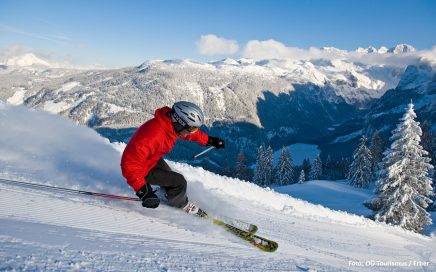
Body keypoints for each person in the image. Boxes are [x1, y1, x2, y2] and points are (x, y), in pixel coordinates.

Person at [120, 101, 225, 214]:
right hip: (141, 169)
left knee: (169, 176)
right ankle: (181, 205)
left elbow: (188, 133)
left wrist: (209, 140)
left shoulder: (169, 125)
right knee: (179, 182)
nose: (192, 132)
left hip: (150, 160)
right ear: (180, 122)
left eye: (194, 129)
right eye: (192, 129)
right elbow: (129, 163)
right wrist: (143, 191)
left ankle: (168, 194)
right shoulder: (154, 136)